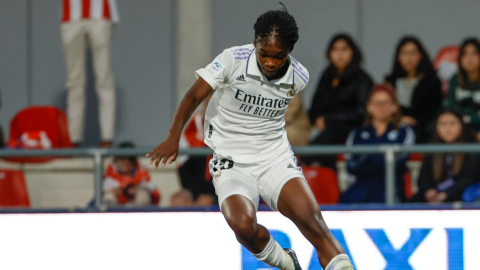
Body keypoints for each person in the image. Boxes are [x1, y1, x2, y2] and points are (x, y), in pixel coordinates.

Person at [147, 6, 353, 270]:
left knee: (315, 225)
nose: (269, 62)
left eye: (278, 56)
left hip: (274, 158)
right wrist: (172, 136)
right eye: (264, 54)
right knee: (243, 227)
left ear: (289, 51)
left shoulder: (299, 78)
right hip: (231, 160)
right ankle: (286, 263)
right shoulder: (233, 60)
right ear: (255, 43)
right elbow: (193, 96)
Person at [307, 33, 373, 168]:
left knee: (331, 135)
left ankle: (302, 162)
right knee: (326, 146)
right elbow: (315, 106)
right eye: (335, 50)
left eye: (344, 49)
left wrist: (328, 119)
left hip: (351, 131)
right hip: (325, 131)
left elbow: (361, 114)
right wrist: (317, 119)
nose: (339, 54)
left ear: (353, 52)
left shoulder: (361, 78)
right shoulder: (327, 76)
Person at [60, 0, 119, 147]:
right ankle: (74, 139)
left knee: (104, 79)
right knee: (75, 82)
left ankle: (107, 137)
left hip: (100, 13)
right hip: (71, 15)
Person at [342, 85, 415, 203]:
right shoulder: (357, 133)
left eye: (385, 103)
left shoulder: (404, 131)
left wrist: (367, 159)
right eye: (377, 103)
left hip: (391, 186)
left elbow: (399, 160)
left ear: (394, 106)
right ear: (369, 107)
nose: (381, 107)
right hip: (361, 186)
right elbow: (351, 164)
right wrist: (380, 159)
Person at [410, 109, 477, 203]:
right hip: (434, 197)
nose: (447, 128)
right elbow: (423, 177)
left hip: (460, 197)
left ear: (462, 125)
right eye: (443, 124)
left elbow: (469, 179)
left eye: (452, 123)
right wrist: (428, 191)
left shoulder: (472, 149)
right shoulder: (432, 149)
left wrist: (446, 195)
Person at [385, 36, 443, 143]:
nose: (409, 58)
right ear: (398, 57)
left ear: (421, 55)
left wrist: (414, 120)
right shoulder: (390, 82)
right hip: (393, 128)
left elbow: (433, 111)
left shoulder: (431, 82)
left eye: (413, 53)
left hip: (422, 130)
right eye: (404, 53)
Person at [172, 95, 216, 207]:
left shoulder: (233, 127)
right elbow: (183, 166)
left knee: (205, 202)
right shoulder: (192, 129)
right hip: (195, 185)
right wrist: (192, 193)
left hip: (220, 188)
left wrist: (211, 195)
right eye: (207, 105)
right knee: (178, 201)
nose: (211, 109)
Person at [444, 37, 480, 141]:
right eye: (465, 54)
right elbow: (450, 107)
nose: (470, 58)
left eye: (474, 53)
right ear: (460, 58)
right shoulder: (455, 79)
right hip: (460, 127)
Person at [103, 142, 160, 206]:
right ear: (116, 159)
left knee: (143, 195)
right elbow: (102, 191)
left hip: (134, 206)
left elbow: (154, 192)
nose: (126, 162)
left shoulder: (141, 170)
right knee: (108, 197)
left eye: (130, 159)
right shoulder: (110, 170)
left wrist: (139, 188)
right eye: (122, 158)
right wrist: (118, 191)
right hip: (117, 206)